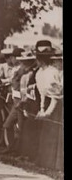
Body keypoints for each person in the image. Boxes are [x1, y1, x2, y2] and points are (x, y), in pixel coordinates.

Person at [33, 40, 63, 170]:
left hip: (57, 107)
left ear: (42, 59)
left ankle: (55, 163)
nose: (37, 61)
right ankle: (46, 161)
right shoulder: (39, 73)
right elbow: (42, 95)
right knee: (46, 133)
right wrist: (41, 109)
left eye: (38, 58)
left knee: (54, 134)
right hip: (47, 105)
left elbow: (55, 97)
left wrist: (47, 112)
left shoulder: (52, 72)